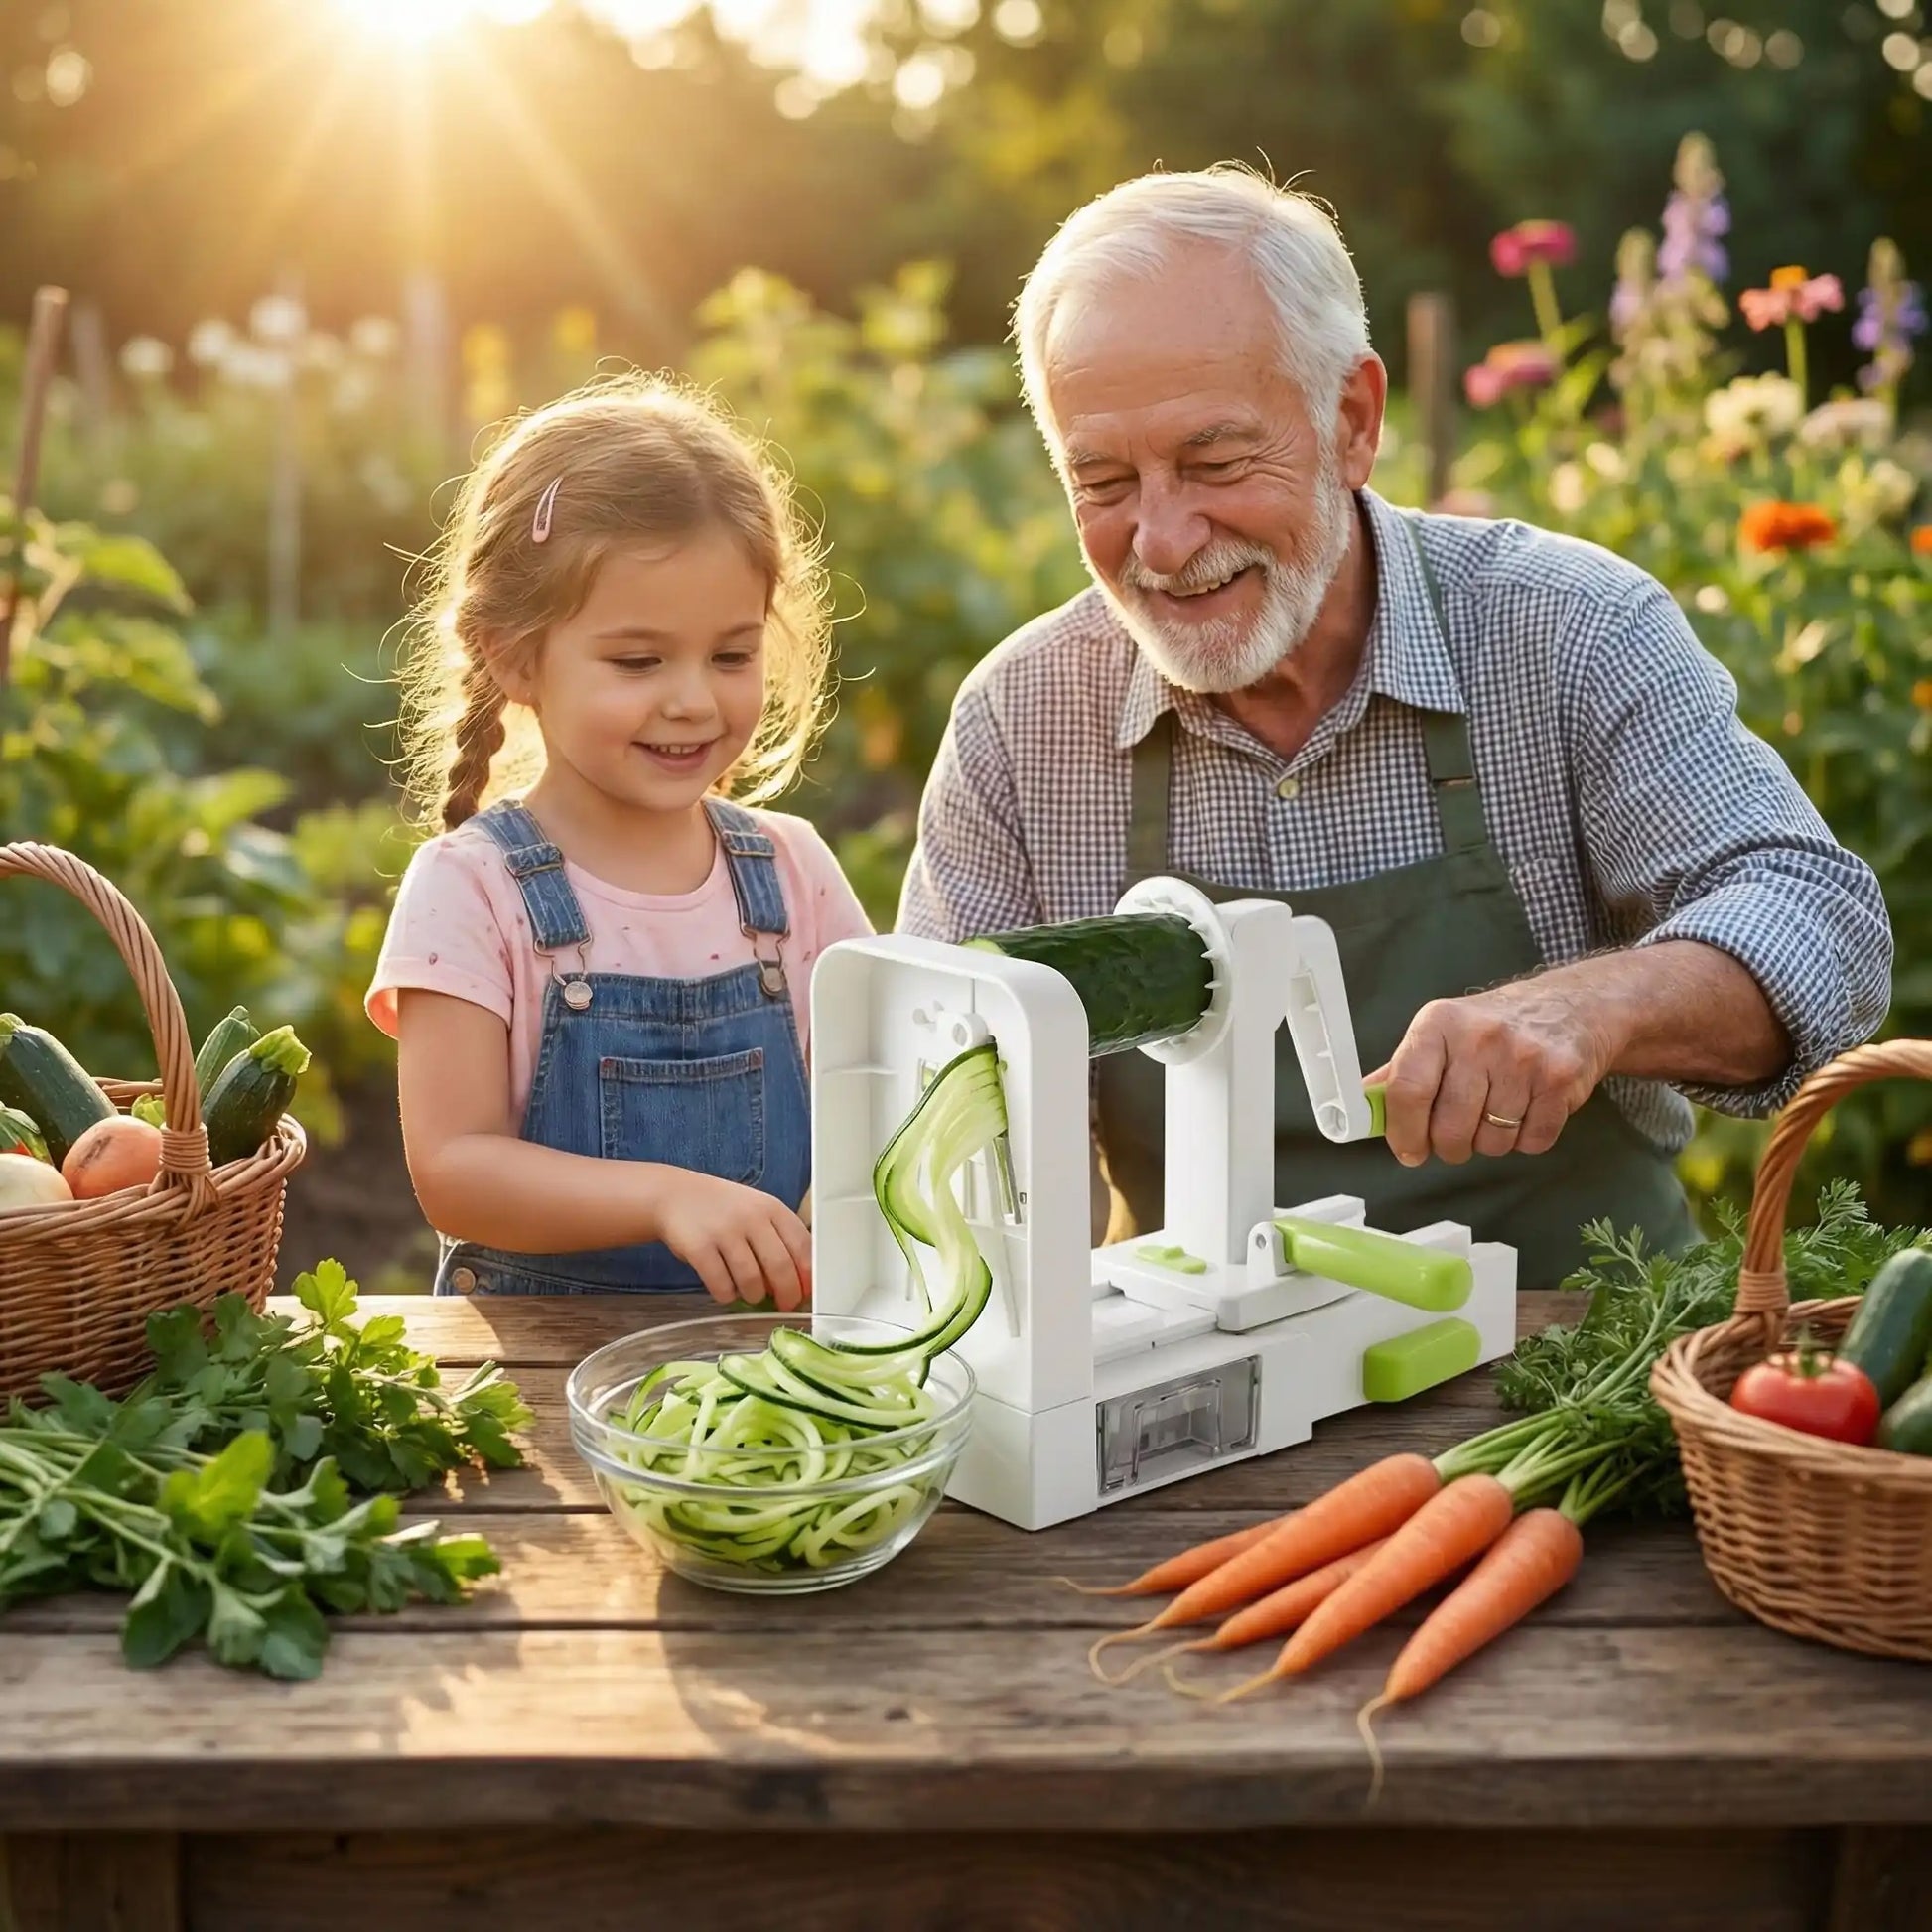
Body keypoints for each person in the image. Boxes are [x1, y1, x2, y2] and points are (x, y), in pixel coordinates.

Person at [897, 167, 1892, 1288]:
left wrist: (1588, 1007)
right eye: (1104, 479)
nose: (1162, 540)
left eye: (1215, 461)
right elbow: (950, 1079)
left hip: (1576, 1349)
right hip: (1204, 1392)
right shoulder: (1019, 721)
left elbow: (1818, 921)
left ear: (1352, 422)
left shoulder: (1563, 628)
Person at [367, 377, 872, 1303]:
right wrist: (666, 1198)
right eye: (639, 662)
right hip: (540, 1379)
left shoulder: (793, 872)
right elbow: (453, 1169)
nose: (692, 698)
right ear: (515, 656)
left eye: (731, 654)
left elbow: (881, 1099)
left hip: (759, 1368)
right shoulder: (471, 890)